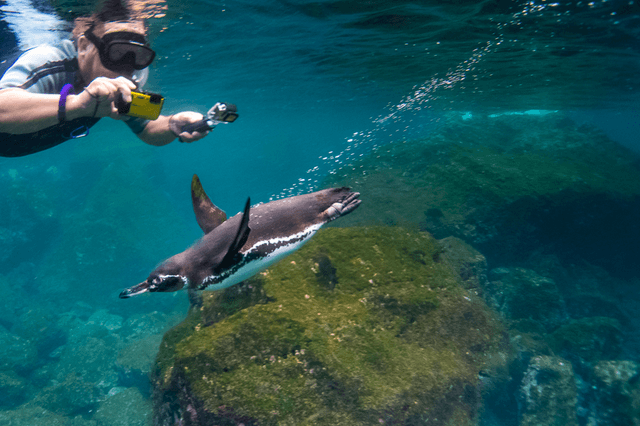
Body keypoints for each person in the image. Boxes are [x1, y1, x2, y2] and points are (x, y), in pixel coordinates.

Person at [0, 1, 208, 157]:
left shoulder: (132, 79)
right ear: (83, 47)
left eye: (138, 56)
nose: (127, 69)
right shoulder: (50, 61)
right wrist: (78, 104)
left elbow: (147, 129)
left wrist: (173, 124)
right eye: (117, 52)